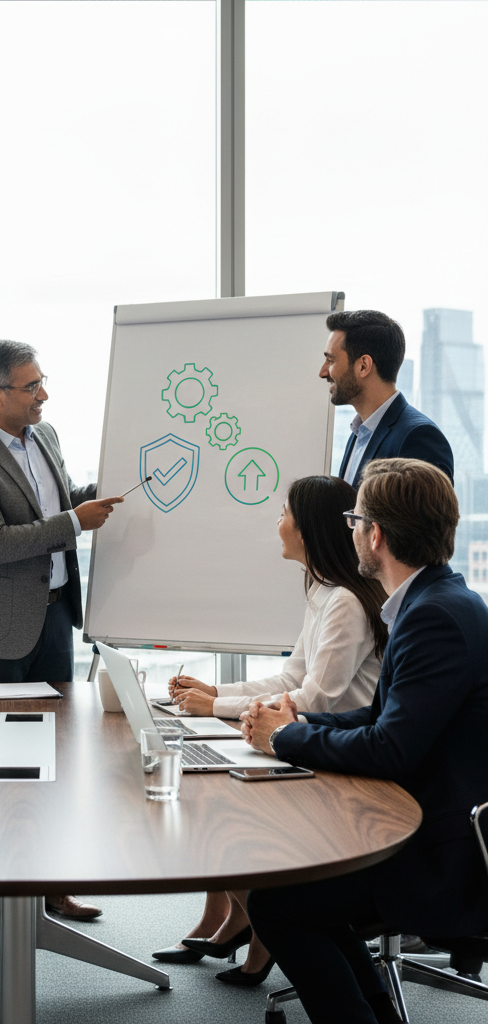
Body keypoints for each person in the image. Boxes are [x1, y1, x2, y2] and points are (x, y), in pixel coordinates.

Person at [241, 458, 488, 1024]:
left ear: (375, 534)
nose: (350, 529)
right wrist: (295, 727)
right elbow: (378, 717)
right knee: (302, 886)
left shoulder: (434, 618)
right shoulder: (436, 602)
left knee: (277, 905)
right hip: (431, 825)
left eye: (355, 520)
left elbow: (389, 748)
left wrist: (288, 741)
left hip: (442, 855)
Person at [154, 475, 388, 985]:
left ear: (307, 530)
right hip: (302, 743)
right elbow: (289, 678)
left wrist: (217, 705)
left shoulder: (345, 601)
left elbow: (315, 699)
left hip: (327, 753)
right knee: (212, 798)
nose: (277, 523)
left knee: (219, 808)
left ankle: (255, 926)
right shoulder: (325, 591)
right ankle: (250, 927)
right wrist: (217, 693)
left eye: (284, 514)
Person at [0, 339, 124, 928]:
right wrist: (73, 522)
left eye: (43, 381)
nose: (44, 394)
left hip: (52, 615)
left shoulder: (45, 436)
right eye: (31, 386)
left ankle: (52, 885)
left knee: (54, 758)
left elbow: (57, 504)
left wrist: (88, 500)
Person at [320, 309, 453, 486]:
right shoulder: (358, 432)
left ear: (363, 366)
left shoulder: (418, 438)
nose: (322, 372)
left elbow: (425, 513)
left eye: (331, 361)